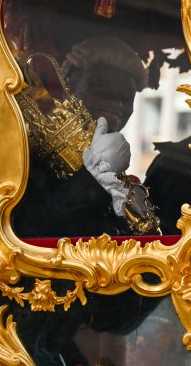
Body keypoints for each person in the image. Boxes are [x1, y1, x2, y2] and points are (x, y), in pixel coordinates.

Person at [12, 36, 157, 238]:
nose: (116, 104)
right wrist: (96, 175)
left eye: (126, 98)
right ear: (69, 89)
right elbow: (28, 231)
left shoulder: (125, 180)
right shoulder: (29, 160)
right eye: (102, 89)